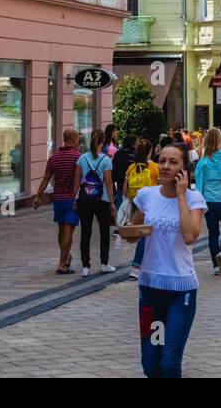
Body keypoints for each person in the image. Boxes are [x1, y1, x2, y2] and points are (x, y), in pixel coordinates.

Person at [129, 142, 207, 378]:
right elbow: (134, 233)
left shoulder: (194, 199)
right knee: (151, 363)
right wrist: (127, 231)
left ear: (185, 168)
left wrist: (181, 197)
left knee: (170, 363)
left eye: (173, 162)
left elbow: (190, 236)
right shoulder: (146, 196)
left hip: (180, 293)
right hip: (150, 291)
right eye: (162, 160)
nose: (165, 166)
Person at [33, 128, 81, 274]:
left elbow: (46, 178)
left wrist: (38, 196)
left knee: (62, 230)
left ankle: (65, 258)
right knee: (69, 231)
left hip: (58, 199)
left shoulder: (54, 158)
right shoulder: (78, 157)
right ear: (74, 140)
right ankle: (62, 263)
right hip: (71, 198)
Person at [193, 127, 221, 276]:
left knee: (213, 233)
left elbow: (199, 186)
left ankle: (215, 266)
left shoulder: (203, 162)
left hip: (208, 202)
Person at [75, 130, 116, 276]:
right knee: (104, 232)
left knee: (85, 232)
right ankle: (104, 263)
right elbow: (109, 183)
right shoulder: (106, 160)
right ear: (103, 141)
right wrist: (112, 202)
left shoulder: (82, 159)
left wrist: (75, 198)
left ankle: (86, 267)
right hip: (102, 199)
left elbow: (77, 181)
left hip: (84, 199)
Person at [124, 139, 159, 279]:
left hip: (136, 203)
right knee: (147, 235)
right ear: (150, 152)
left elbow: (125, 190)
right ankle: (137, 265)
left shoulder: (131, 167)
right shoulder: (154, 167)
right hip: (152, 204)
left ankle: (141, 265)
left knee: (143, 234)